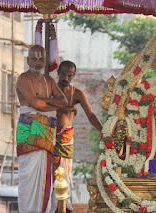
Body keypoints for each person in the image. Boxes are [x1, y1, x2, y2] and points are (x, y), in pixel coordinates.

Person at [16, 45, 68, 213]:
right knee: (28, 176)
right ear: (27, 60)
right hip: (28, 130)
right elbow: (34, 103)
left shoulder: (49, 80)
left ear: (45, 61)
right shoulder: (23, 79)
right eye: (34, 59)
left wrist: (41, 103)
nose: (37, 62)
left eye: (41, 59)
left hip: (46, 131)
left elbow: (64, 102)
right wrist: (50, 104)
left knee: (46, 174)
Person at [51, 60, 103, 212]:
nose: (65, 78)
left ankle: (62, 206)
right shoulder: (49, 91)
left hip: (66, 138)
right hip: (49, 137)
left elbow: (91, 115)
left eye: (69, 75)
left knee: (64, 173)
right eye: (63, 74)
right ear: (57, 73)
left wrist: (104, 131)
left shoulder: (77, 94)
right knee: (50, 174)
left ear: (73, 76)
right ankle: (50, 206)